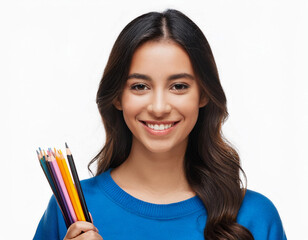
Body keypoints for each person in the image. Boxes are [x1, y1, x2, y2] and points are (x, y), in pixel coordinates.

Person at [34, 9, 287, 240]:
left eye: (178, 86)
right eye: (140, 86)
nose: (158, 107)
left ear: (204, 94)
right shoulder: (70, 213)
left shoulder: (254, 216)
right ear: (118, 97)